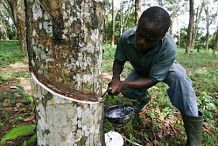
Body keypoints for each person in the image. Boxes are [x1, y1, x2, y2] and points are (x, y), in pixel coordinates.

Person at [107, 6, 203, 146]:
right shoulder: (125, 38)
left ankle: (195, 140)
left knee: (180, 79)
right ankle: (144, 99)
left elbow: (153, 79)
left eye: (150, 40)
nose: (141, 42)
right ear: (138, 24)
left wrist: (124, 83)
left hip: (166, 68)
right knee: (127, 90)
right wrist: (116, 79)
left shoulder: (169, 47)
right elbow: (119, 61)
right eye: (140, 35)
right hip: (142, 70)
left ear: (161, 37)